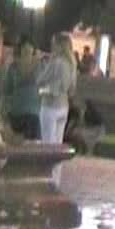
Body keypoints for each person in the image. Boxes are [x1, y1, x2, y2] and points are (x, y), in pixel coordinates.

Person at [36, 32, 77, 183]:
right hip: (63, 107)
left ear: (59, 45)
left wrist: (41, 90)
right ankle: (56, 181)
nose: (52, 46)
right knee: (58, 147)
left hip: (50, 106)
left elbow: (40, 80)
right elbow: (68, 89)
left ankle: (47, 181)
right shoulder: (71, 64)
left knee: (48, 147)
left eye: (54, 43)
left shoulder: (56, 62)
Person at [0, 35, 41, 140]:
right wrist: (1, 111)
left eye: (29, 50)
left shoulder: (40, 66)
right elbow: (6, 91)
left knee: (30, 144)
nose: (27, 52)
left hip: (33, 114)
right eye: (24, 50)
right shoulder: (13, 67)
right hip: (16, 112)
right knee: (14, 143)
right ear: (20, 50)